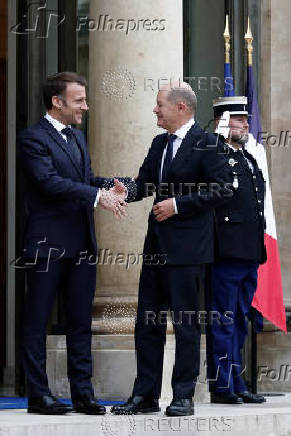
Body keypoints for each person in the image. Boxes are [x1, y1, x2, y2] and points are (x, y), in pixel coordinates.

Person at [111, 83, 233, 417]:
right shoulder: (159, 144)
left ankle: (182, 396)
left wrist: (179, 205)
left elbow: (224, 190)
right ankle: (145, 395)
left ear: (181, 107)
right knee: (146, 324)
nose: (155, 110)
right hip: (155, 249)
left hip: (189, 251)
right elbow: (146, 182)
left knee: (185, 324)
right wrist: (126, 190)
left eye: (159, 105)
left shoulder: (208, 144)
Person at [18, 72, 127, 415]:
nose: (85, 106)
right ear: (57, 102)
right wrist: (97, 195)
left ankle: (83, 394)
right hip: (47, 245)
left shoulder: (77, 138)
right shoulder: (32, 138)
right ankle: (39, 395)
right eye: (79, 100)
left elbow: (80, 181)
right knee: (36, 320)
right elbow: (50, 183)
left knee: (80, 321)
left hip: (81, 245)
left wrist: (112, 186)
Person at [205, 96, 266, 404]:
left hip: (249, 253)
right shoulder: (214, 156)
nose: (246, 124)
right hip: (226, 252)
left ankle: (238, 381)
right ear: (223, 122)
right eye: (239, 119)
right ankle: (222, 384)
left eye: (246, 119)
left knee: (240, 318)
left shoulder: (249, 160)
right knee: (223, 319)